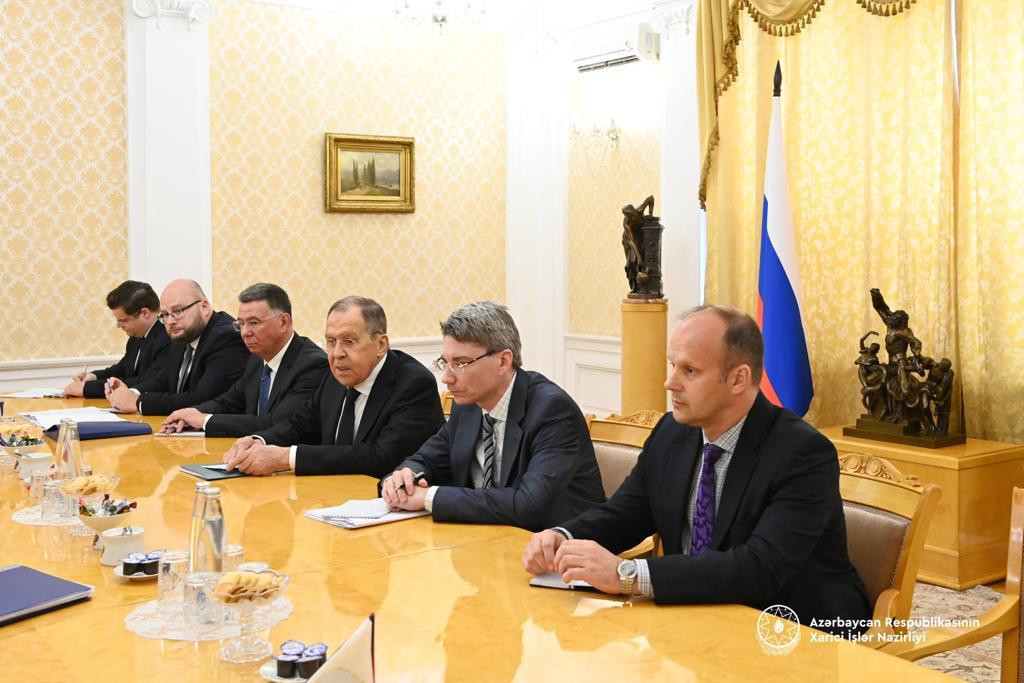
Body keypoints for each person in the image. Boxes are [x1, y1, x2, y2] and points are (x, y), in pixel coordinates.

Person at [522, 305, 870, 636]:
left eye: (689, 371)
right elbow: (625, 514)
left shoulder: (802, 453)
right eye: (673, 365)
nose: (670, 383)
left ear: (738, 379)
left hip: (789, 628)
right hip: (694, 616)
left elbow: (760, 568)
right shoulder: (671, 432)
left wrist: (626, 574)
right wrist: (564, 536)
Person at [381, 301, 605, 532]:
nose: (446, 378)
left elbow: (528, 505)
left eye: (460, 363)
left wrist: (430, 496)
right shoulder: (467, 405)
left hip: (557, 543)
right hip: (487, 537)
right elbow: (428, 459)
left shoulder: (553, 411)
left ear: (503, 361)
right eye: (444, 363)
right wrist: (405, 476)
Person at [222, 296, 443, 477]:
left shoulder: (413, 383)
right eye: (331, 341)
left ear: (381, 345)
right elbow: (301, 424)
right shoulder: (334, 376)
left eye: (349, 341)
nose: (337, 353)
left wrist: (286, 458)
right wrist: (258, 441)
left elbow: (381, 458)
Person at [160, 283, 327, 437]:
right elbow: (227, 403)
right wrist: (190, 414)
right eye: (241, 324)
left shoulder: (312, 365)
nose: (245, 333)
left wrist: (205, 420)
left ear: (283, 322)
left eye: (254, 323)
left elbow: (276, 423)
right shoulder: (256, 360)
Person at [106, 279, 250, 415]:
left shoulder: (226, 337)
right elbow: (163, 380)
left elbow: (202, 399)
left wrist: (138, 402)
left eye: (178, 311)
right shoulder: (183, 334)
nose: (170, 321)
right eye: (165, 314)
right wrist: (131, 393)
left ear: (204, 307)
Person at [63, 281, 170, 398]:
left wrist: (86, 389)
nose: (118, 326)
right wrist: (94, 376)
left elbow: (147, 381)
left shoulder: (167, 337)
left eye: (123, 320)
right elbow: (122, 368)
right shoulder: (136, 336)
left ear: (145, 313)